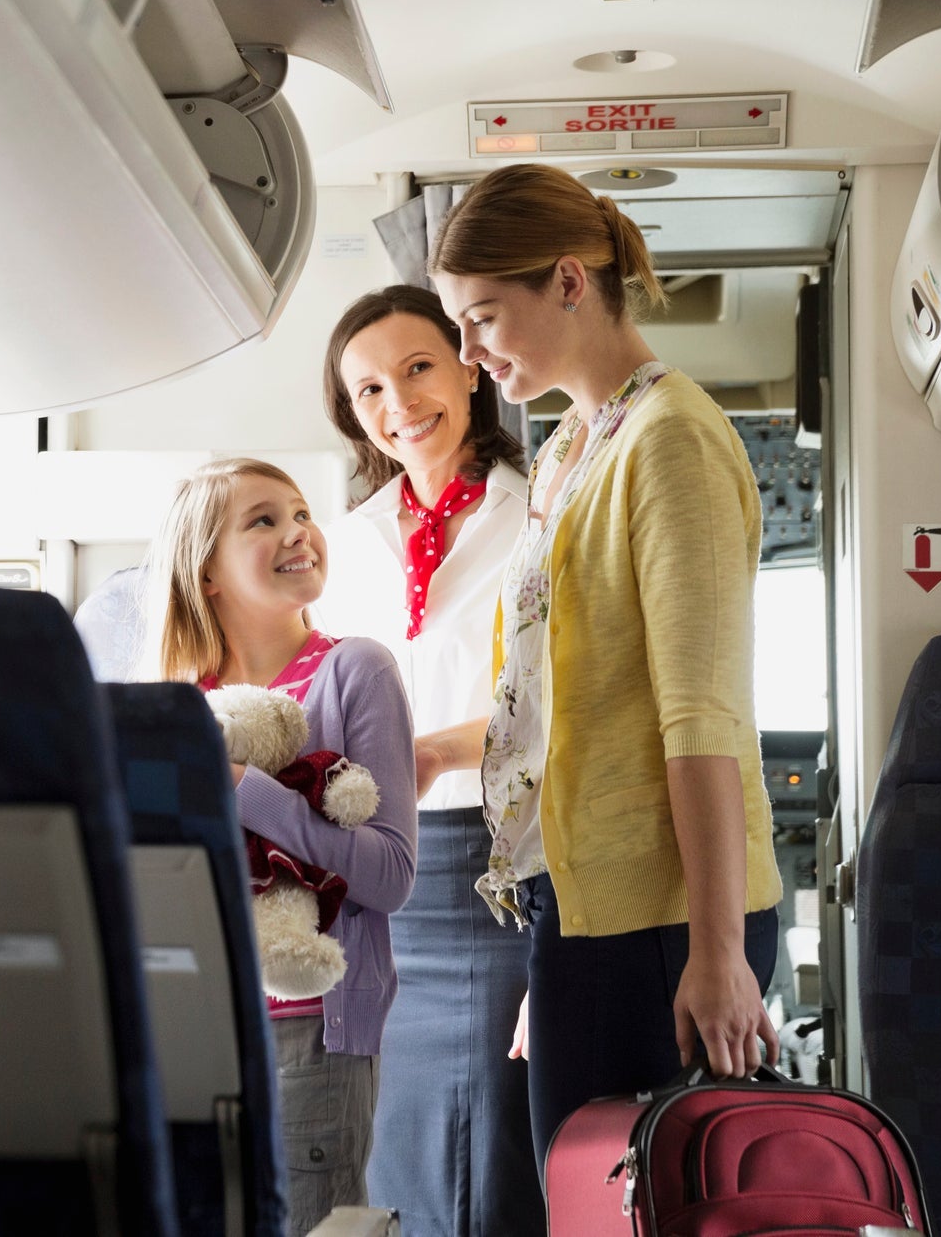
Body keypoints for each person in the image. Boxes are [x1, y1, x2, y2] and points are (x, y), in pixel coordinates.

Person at [427, 164, 783, 1175]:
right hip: (591, 916)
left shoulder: (669, 439)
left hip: (668, 920)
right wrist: (560, 935)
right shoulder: (569, 449)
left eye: (484, 316)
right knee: (584, 1202)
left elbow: (698, 716)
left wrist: (715, 953)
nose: (468, 353)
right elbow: (556, 706)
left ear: (571, 282)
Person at [140, 457, 417, 1235]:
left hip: (310, 1031)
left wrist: (243, 788)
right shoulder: (171, 701)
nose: (297, 531)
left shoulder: (354, 671)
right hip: (188, 1026)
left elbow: (390, 876)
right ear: (207, 571)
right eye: (263, 520)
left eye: (299, 513)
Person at [316, 286, 541, 1236]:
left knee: (491, 1153)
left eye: (415, 369)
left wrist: (437, 753)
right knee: (392, 1153)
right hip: (377, 888)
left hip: (499, 874)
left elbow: (572, 708)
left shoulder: (538, 516)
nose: (396, 404)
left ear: (467, 368)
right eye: (367, 389)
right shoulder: (346, 540)